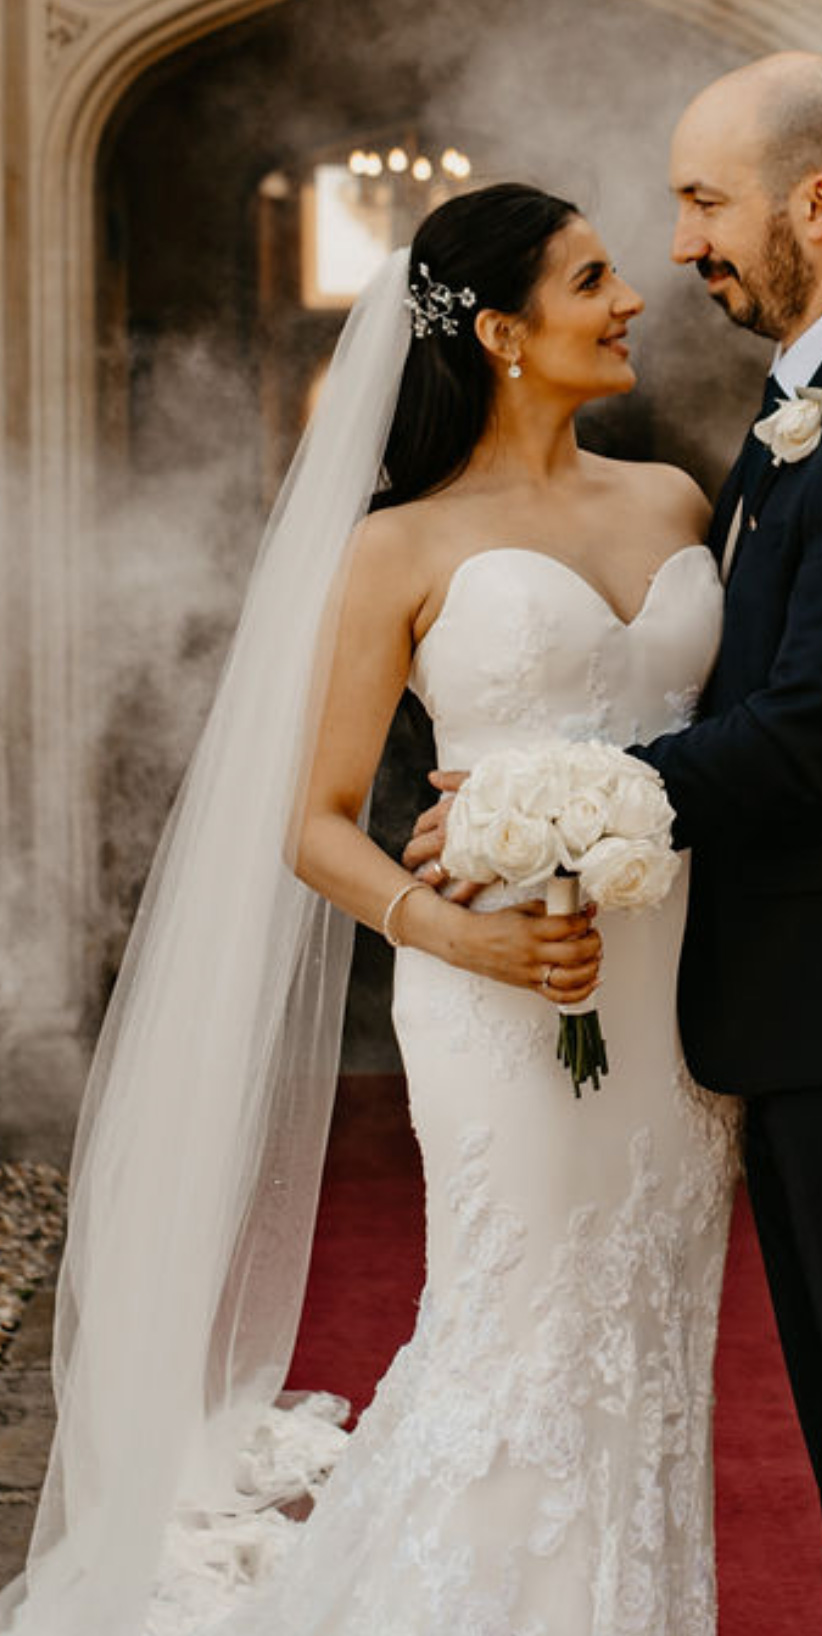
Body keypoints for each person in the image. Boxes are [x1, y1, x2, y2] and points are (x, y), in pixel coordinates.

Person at [0, 183, 740, 1636]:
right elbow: (314, 823)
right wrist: (467, 935)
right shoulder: (395, 548)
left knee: (652, 1332)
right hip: (492, 997)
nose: (630, 300)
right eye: (592, 279)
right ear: (503, 332)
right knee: (521, 1332)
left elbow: (764, 727)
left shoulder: (673, 501)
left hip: (670, 994)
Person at [410, 52, 822, 1636]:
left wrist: (528, 809)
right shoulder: (813, 401)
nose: (681, 243)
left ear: (813, 204)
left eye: (705, 203)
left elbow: (809, 732)